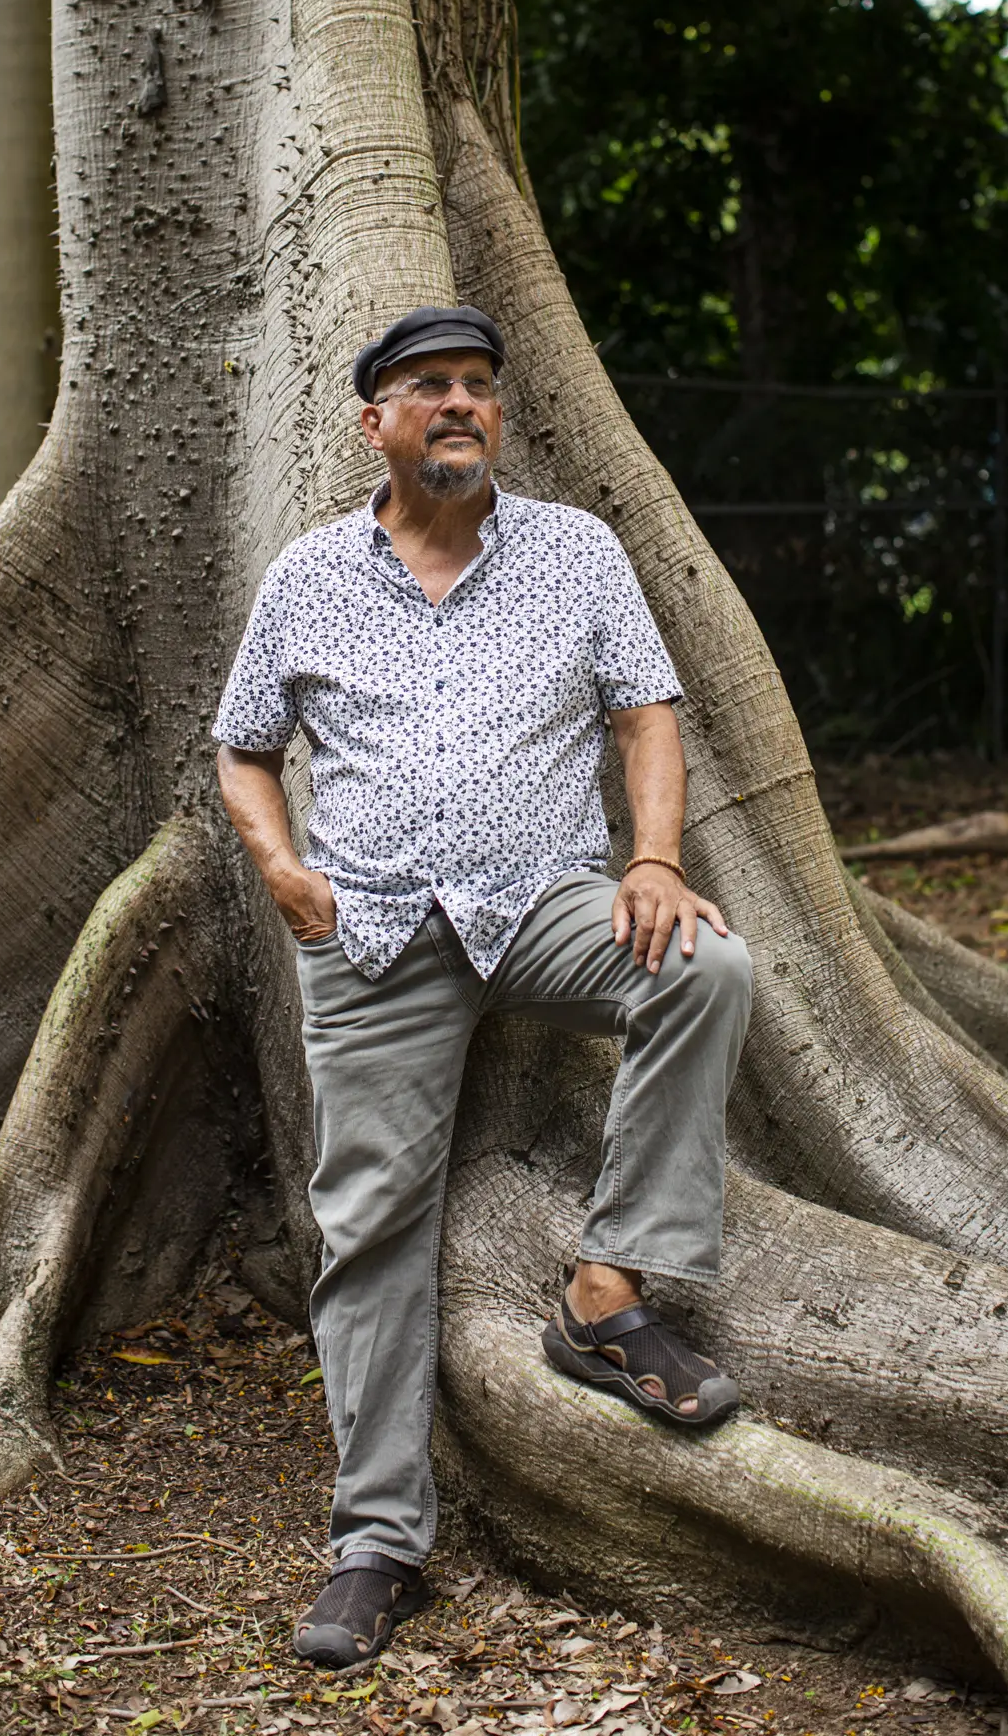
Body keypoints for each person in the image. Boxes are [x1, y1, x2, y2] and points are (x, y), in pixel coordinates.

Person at [213, 304, 753, 1672]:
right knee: (371, 1222)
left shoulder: (576, 553)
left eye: (475, 387)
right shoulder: (308, 577)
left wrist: (649, 859)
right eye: (426, 388)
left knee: (707, 967)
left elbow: (647, 715)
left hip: (546, 910)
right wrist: (279, 868)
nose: (458, 404)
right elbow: (242, 747)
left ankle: (602, 1295)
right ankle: (378, 1541)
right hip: (376, 933)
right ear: (373, 422)